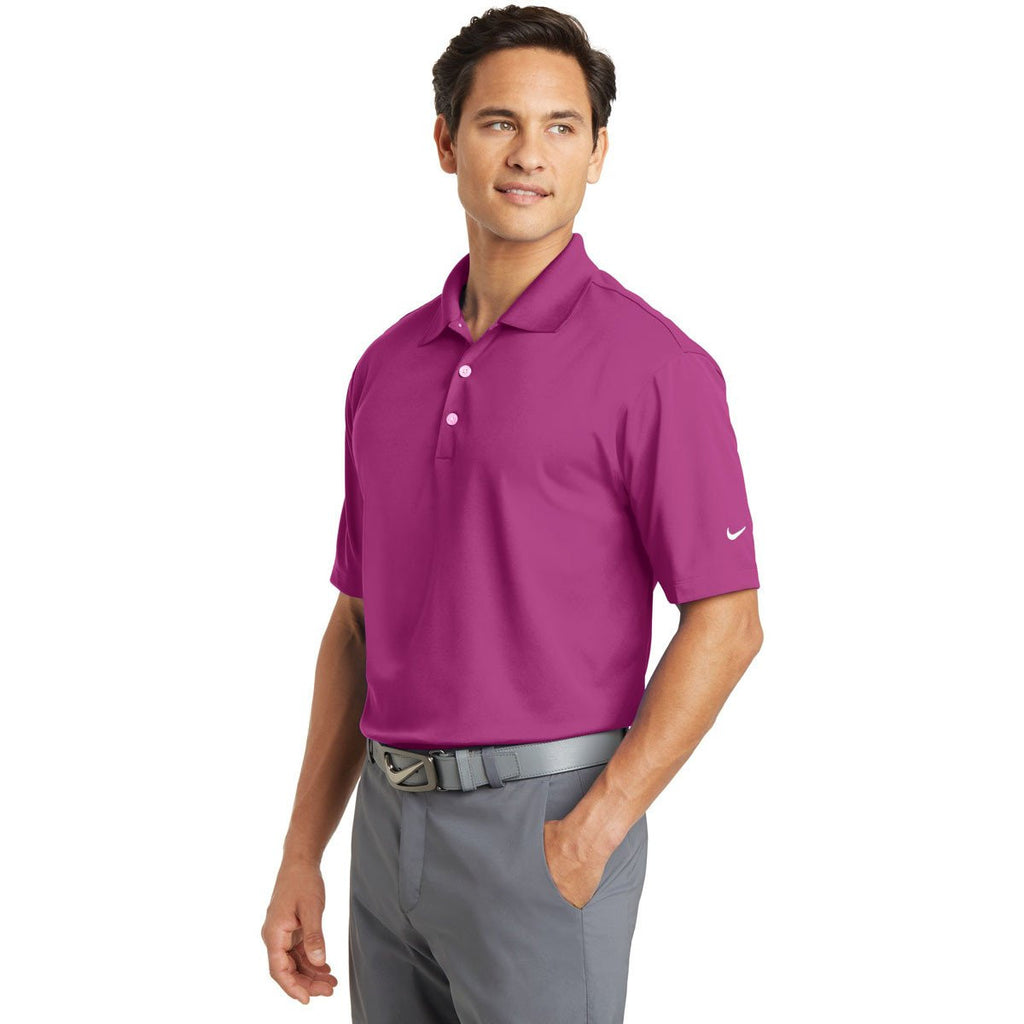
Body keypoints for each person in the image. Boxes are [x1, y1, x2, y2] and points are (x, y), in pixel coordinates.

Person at [261, 5, 763, 1021]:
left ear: (598, 152)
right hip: (386, 828)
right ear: (446, 141)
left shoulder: (657, 368)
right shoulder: (387, 367)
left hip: (544, 825)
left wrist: (596, 827)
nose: (530, 153)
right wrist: (302, 851)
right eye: (498, 122)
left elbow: (728, 620)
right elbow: (357, 624)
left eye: (561, 126)